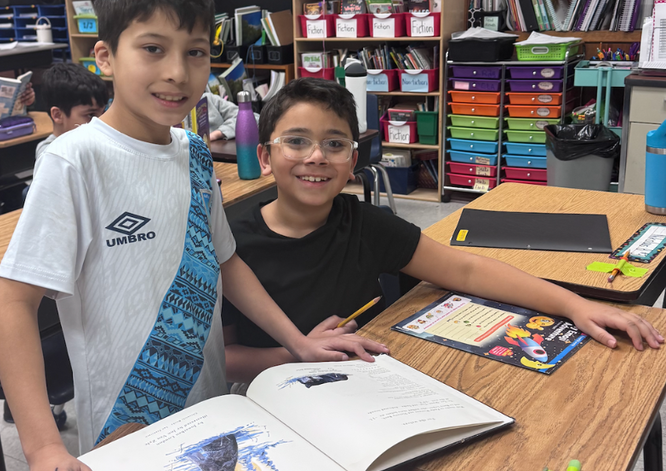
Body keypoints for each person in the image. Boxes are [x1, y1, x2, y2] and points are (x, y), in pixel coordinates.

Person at [0, 0, 386, 471]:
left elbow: (226, 262)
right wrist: (44, 446)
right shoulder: (75, 161)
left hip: (211, 409)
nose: (177, 72)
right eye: (153, 49)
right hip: (124, 430)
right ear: (105, 58)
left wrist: (297, 344)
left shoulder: (194, 152)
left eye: (195, 52)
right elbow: (12, 305)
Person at [223, 78, 663, 384]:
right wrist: (294, 354)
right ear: (264, 156)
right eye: (296, 141)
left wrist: (575, 305)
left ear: (352, 161)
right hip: (270, 389)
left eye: (335, 144)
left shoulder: (362, 223)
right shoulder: (229, 246)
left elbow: (466, 270)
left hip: (359, 379)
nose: (317, 156)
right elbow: (221, 361)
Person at [35, 61, 109, 161]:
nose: (101, 122)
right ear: (58, 115)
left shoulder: (96, 141)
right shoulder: (51, 154)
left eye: (103, 113)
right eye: (91, 115)